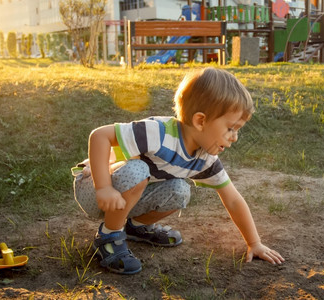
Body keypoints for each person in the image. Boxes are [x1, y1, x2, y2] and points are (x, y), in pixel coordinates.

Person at [72, 67, 285, 274]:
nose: (234, 137)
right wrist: (104, 187)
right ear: (200, 120)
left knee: (179, 190)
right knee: (138, 170)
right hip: (95, 188)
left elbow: (233, 199)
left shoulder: (205, 159)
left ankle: (134, 227)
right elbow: (99, 136)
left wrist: (254, 243)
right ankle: (108, 236)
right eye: (230, 128)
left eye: (238, 130)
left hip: (125, 197)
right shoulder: (159, 133)